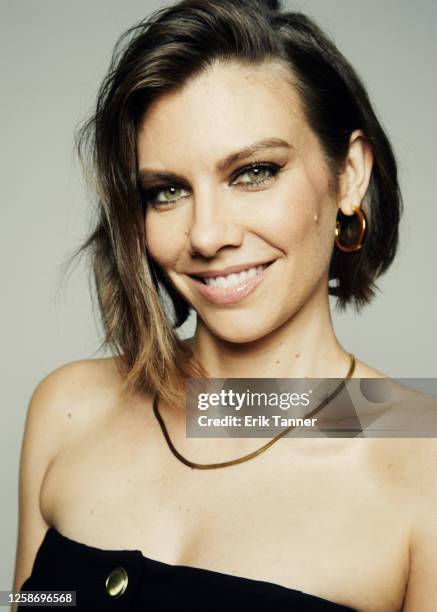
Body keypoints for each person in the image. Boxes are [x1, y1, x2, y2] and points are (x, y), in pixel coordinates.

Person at [12, 0, 437, 610]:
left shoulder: (423, 465)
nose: (207, 235)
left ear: (348, 175)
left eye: (254, 172)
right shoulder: (71, 408)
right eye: (167, 191)